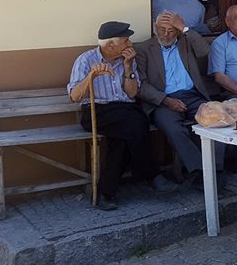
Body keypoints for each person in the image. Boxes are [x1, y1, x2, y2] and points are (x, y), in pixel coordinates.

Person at [67, 21, 175, 210]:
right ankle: (150, 174)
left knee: (125, 137)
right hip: (96, 111)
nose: (130, 45)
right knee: (136, 123)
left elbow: (132, 93)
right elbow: (75, 97)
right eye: (126, 41)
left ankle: (105, 193)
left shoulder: (127, 61)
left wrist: (127, 69)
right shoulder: (85, 60)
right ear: (111, 45)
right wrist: (91, 77)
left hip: (124, 111)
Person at [136, 12, 226, 190]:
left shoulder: (185, 42)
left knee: (217, 119)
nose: (166, 34)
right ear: (155, 29)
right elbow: (141, 85)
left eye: (171, 30)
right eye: (162, 30)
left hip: (192, 96)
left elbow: (205, 50)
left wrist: (184, 28)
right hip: (162, 101)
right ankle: (200, 171)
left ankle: (215, 170)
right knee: (174, 128)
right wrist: (165, 100)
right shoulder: (143, 49)